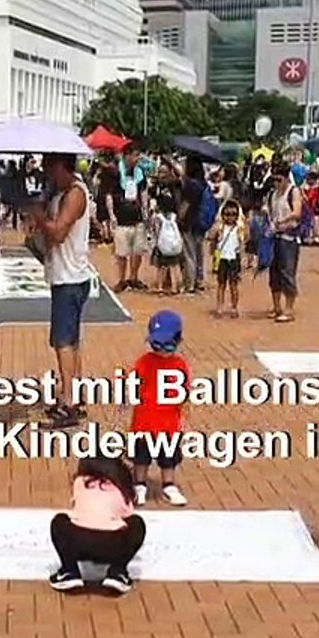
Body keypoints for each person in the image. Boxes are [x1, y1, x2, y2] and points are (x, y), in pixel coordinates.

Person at [31, 153, 94, 426]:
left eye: (51, 168)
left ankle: (69, 400)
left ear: (61, 166)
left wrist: (39, 218)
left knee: (64, 342)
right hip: (64, 274)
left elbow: (58, 232)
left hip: (70, 277)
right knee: (69, 341)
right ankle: (73, 396)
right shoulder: (63, 192)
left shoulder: (76, 194)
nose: (48, 174)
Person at [48, 455, 146, 595]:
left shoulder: (80, 482)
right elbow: (128, 515)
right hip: (111, 546)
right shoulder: (121, 486)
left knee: (59, 521)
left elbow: (77, 508)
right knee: (137, 524)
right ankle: (117, 572)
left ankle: (69, 571)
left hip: (78, 542)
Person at [129, 309, 190, 507]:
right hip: (144, 422)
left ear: (178, 341)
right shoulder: (144, 362)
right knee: (141, 458)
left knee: (168, 458)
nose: (162, 349)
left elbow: (184, 392)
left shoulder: (179, 365)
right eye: (156, 344)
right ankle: (139, 484)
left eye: (168, 344)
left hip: (168, 423)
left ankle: (168, 485)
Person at [109, 146, 149, 292]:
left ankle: (134, 277)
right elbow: (109, 194)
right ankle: (121, 279)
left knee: (137, 250)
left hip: (137, 217)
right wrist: (111, 214)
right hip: (121, 218)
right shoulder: (115, 172)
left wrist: (145, 210)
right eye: (135, 155)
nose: (137, 159)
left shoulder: (140, 173)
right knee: (121, 252)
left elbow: (143, 191)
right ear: (127, 156)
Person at [266, 172, 303, 323]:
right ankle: (276, 307)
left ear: (286, 178)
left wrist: (283, 220)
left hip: (289, 237)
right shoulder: (272, 194)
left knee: (287, 272)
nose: (276, 183)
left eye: (279, 180)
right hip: (274, 236)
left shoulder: (293, 191)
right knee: (274, 274)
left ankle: (289, 308)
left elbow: (297, 212)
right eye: (274, 180)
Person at [208, 200, 247, 318]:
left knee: (233, 284)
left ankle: (234, 307)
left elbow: (244, 241)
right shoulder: (220, 227)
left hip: (233, 258)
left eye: (233, 214)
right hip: (222, 258)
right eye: (227, 214)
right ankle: (219, 306)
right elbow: (211, 237)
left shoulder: (239, 228)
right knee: (221, 284)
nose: (230, 217)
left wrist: (244, 258)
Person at [177, 157, 209, 294]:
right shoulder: (203, 183)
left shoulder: (190, 184)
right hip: (201, 222)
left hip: (189, 222)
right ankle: (199, 280)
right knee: (199, 252)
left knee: (189, 254)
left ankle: (190, 283)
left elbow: (186, 205)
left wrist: (179, 217)